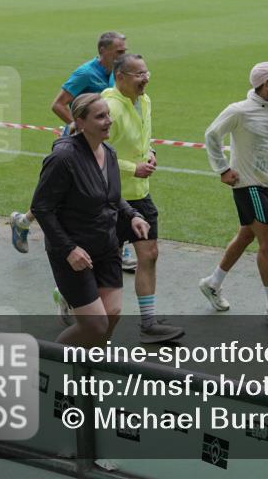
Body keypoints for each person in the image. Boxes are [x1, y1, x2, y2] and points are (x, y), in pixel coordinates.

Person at [30, 93, 150, 348]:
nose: (108, 121)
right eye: (100, 117)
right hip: (74, 252)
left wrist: (133, 216)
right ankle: (48, 361)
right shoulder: (63, 159)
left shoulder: (109, 151)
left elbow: (113, 197)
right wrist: (69, 249)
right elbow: (41, 208)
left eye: (108, 115)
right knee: (94, 325)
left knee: (112, 315)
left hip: (107, 246)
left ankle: (86, 368)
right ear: (80, 122)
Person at [9, 31, 128, 262]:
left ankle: (24, 222)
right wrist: (79, 127)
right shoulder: (85, 73)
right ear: (103, 51)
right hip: (77, 143)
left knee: (96, 189)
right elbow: (57, 104)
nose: (123, 55)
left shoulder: (115, 74)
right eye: (119, 52)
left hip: (98, 139)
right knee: (68, 191)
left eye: (125, 51)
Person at [200, 62, 268, 326]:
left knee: (246, 236)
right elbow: (211, 135)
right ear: (266, 84)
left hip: (267, 182)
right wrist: (222, 169)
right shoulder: (239, 111)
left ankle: (212, 283)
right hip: (248, 185)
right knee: (267, 241)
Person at [101, 54, 183, 343]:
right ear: (120, 76)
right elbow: (94, 153)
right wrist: (131, 168)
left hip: (140, 195)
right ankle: (70, 297)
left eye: (147, 72)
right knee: (102, 264)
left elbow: (144, 136)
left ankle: (148, 323)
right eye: (138, 74)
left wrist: (150, 153)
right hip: (109, 199)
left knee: (149, 254)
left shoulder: (144, 100)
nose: (145, 78)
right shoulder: (109, 107)